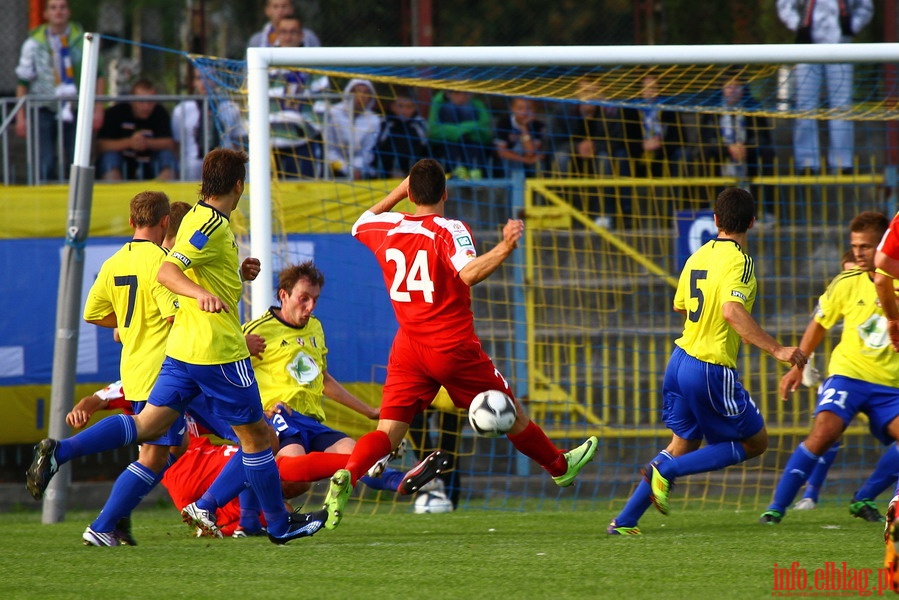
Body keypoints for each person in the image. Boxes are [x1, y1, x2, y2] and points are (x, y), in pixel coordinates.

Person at [26, 149, 325, 545]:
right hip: (217, 350)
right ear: (239, 185)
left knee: (148, 426)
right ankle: (275, 523)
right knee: (259, 437)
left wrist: (236, 275)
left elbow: (189, 265)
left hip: (182, 352)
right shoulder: (211, 225)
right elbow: (169, 272)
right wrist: (201, 294)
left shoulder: (199, 218)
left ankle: (60, 453)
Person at [293, 158, 598, 533]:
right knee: (511, 409)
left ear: (410, 193)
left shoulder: (388, 226)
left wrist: (397, 192)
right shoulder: (449, 228)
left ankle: (350, 474)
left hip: (408, 347)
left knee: (388, 433)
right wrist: (504, 247)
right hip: (452, 346)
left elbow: (360, 222)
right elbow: (468, 273)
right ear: (445, 193)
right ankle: (560, 468)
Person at [178, 261, 450, 535]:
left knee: (353, 452)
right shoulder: (256, 330)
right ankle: (245, 518)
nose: (309, 307)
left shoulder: (316, 328)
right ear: (283, 295)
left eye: (315, 300)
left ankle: (401, 482)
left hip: (312, 421)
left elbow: (323, 379)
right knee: (289, 467)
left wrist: (367, 411)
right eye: (303, 299)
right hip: (279, 419)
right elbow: (226, 373)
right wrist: (256, 407)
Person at [607, 187, 806, 535]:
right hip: (710, 367)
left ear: (715, 220)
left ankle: (624, 521)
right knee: (755, 443)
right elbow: (732, 311)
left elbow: (680, 306)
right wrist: (778, 350)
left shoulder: (697, 256)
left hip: (680, 360)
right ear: (753, 222)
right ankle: (664, 474)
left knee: (681, 444)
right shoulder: (741, 262)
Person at [758, 212, 899, 525]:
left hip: (891, 385)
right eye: (855, 246)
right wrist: (798, 365)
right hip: (848, 375)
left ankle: (864, 497)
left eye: (867, 246)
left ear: (884, 247)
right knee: (824, 431)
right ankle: (776, 509)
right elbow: (819, 324)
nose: (859, 252)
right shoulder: (845, 283)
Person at [76, 191, 182, 546]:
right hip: (166, 368)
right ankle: (104, 523)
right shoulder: (162, 262)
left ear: (132, 220)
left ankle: (116, 524)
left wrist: (127, 324)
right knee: (154, 454)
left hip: (135, 368)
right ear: (165, 222)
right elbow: (173, 316)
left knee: (155, 454)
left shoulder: (113, 263)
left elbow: (92, 313)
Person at [776, 0, 874, 173]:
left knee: (841, 106)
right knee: (805, 106)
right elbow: (784, 6)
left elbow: (866, 7)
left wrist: (852, 26)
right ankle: (807, 162)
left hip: (841, 46)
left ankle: (842, 162)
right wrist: (799, 26)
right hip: (807, 46)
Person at [14, 0, 104, 182]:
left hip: (77, 108)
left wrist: (99, 109)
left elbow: (98, 75)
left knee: (78, 159)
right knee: (44, 162)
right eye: (53, 8)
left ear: (69, 11)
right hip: (43, 108)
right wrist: (20, 116)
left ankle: (77, 204)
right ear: (46, 13)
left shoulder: (84, 40)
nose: (58, 12)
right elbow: (22, 81)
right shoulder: (33, 43)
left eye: (62, 7)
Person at [554, 78, 642, 229]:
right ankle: (561, 213)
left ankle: (605, 214)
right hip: (574, 161)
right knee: (560, 158)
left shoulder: (610, 114)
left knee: (605, 159)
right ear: (577, 94)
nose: (589, 96)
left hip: (601, 156)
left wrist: (594, 146)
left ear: (601, 94)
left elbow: (617, 141)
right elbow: (554, 141)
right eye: (585, 92)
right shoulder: (563, 112)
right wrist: (577, 147)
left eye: (594, 91)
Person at [697, 70, 776, 221]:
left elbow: (763, 137)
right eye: (728, 86)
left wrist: (746, 146)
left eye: (736, 86)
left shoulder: (753, 107)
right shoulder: (711, 111)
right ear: (722, 89)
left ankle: (766, 211)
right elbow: (705, 138)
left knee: (767, 153)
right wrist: (727, 148)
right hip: (721, 156)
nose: (732, 90)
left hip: (748, 156)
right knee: (702, 154)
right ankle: (707, 208)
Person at [96, 79, 177, 181]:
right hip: (123, 161)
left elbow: (169, 143)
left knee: (167, 156)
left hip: (151, 162)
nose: (146, 106)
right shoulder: (116, 113)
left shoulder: (160, 113)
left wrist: (146, 143)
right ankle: (114, 190)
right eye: (141, 101)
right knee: (109, 157)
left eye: (150, 102)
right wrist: (130, 143)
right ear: (132, 100)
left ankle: (163, 191)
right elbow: (101, 145)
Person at [171, 69, 245, 180]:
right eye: (199, 78)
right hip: (193, 164)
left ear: (216, 80)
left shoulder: (230, 108)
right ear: (193, 82)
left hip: (224, 164)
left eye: (209, 78)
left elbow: (238, 141)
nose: (204, 82)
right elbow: (176, 144)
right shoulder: (182, 109)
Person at [428, 90, 493, 180]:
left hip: (472, 146)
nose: (462, 97)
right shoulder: (439, 104)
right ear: (448, 94)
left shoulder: (477, 105)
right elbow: (433, 132)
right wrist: (461, 131)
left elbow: (486, 132)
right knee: (449, 109)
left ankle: (473, 172)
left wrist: (460, 129)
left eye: (466, 93)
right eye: (457, 93)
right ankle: (456, 172)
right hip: (447, 148)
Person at [324, 78, 381, 180]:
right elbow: (329, 149)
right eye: (357, 91)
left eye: (366, 92)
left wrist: (357, 168)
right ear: (348, 93)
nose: (361, 96)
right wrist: (346, 169)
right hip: (334, 166)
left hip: (361, 169)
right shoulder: (333, 113)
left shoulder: (374, 120)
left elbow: (367, 151)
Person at [377, 90, 429, 178]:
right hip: (387, 173)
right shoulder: (385, 123)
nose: (404, 110)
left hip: (414, 174)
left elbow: (424, 149)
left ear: (415, 108)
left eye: (409, 107)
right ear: (393, 107)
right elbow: (379, 148)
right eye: (400, 106)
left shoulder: (420, 124)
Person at [493, 97, 547, 178]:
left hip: (529, 164)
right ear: (512, 109)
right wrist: (525, 160)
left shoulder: (538, 126)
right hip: (509, 162)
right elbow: (501, 152)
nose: (524, 112)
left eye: (529, 108)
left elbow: (530, 153)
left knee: (538, 162)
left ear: (534, 110)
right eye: (520, 108)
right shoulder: (503, 123)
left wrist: (524, 128)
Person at [247, 0, 321, 48]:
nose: (280, 11)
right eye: (275, 7)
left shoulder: (309, 37)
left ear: (292, 9)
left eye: (284, 6)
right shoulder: (257, 40)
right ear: (267, 10)